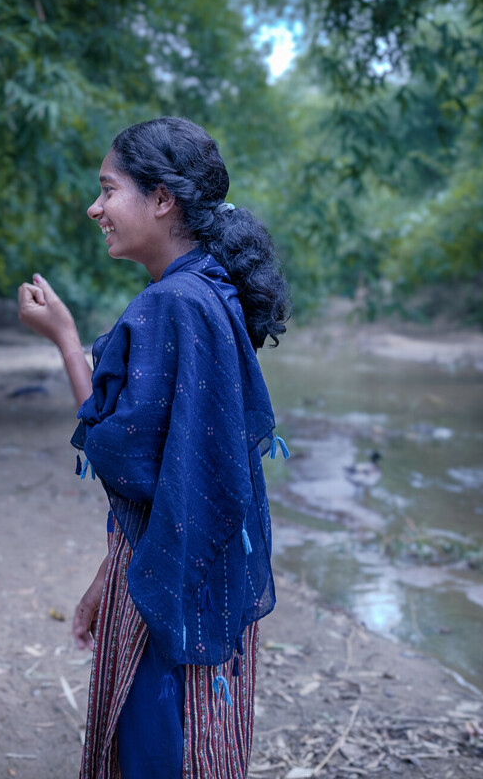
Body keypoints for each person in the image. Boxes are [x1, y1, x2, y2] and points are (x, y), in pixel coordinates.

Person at [18, 117, 289, 778]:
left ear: (162, 199)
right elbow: (167, 460)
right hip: (198, 568)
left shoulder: (175, 304)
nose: (96, 208)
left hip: (176, 582)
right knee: (194, 743)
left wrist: (63, 338)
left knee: (157, 748)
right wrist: (105, 579)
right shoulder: (205, 290)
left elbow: (124, 451)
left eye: (108, 190)